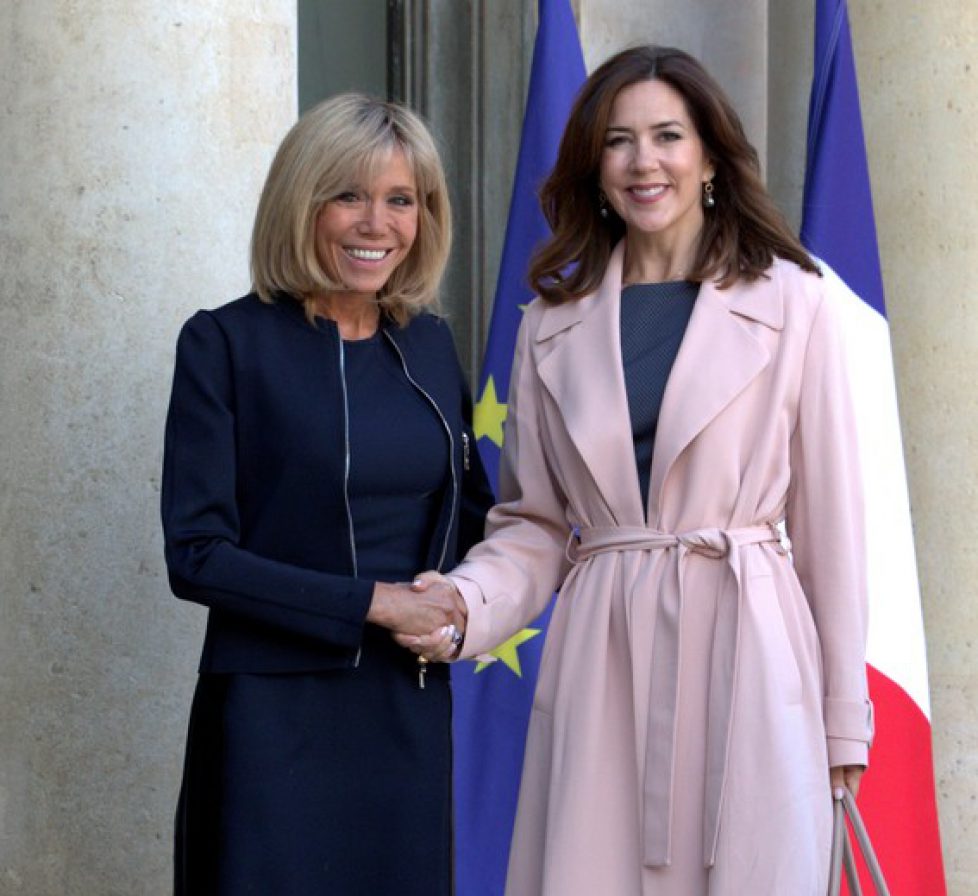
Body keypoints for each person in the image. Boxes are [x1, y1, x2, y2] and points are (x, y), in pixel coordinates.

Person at [406, 46, 873, 895]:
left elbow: (832, 531)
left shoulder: (795, 301)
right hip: (602, 658)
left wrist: (845, 725)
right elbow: (536, 526)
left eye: (667, 135)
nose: (643, 161)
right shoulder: (551, 323)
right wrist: (464, 605)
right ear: (594, 167)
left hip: (752, 651)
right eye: (619, 142)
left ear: (709, 158)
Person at [161, 93, 492, 895]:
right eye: (348, 195)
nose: (375, 224)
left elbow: (478, 517)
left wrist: (470, 605)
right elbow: (197, 557)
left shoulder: (431, 342)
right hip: (271, 723)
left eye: (400, 200)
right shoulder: (224, 343)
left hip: (406, 709)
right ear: (301, 203)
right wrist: (374, 603)